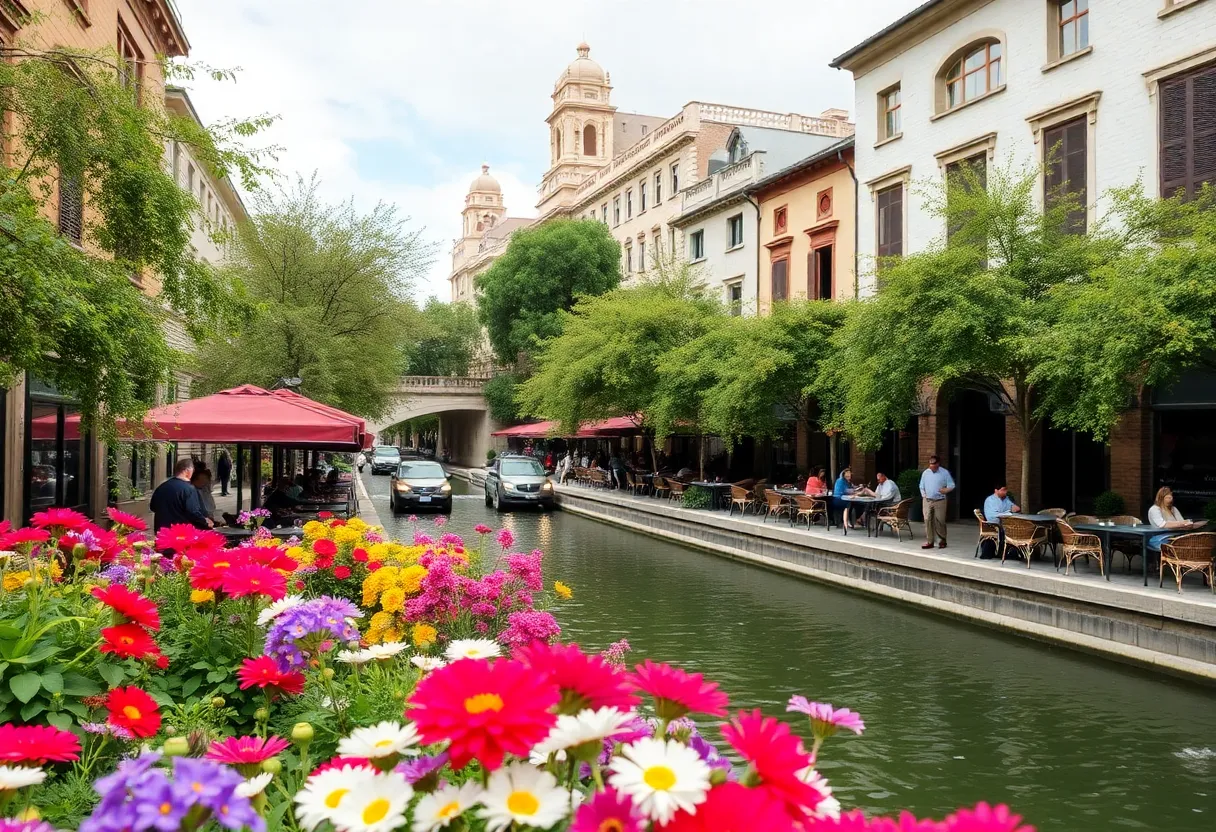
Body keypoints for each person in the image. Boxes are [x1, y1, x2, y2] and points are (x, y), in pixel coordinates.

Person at [150, 458, 213, 532]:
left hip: (162, 532)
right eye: (192, 469)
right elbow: (193, 512)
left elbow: (153, 507)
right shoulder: (189, 489)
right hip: (180, 534)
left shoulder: (161, 487)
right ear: (187, 470)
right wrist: (205, 521)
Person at [1147, 486, 1205, 554]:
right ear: (1161, 498)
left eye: (1171, 497)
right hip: (1160, 538)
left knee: (1197, 543)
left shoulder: (1173, 509)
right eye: (1168, 497)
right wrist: (1183, 523)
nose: (1171, 499)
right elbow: (1162, 524)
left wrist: (1191, 525)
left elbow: (1183, 523)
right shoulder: (1155, 509)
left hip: (1177, 536)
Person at [919, 455, 955, 549]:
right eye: (930, 464)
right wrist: (924, 494)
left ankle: (942, 540)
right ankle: (930, 541)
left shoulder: (944, 473)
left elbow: (951, 485)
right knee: (927, 520)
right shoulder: (925, 473)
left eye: (934, 464)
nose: (931, 466)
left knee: (940, 521)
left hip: (940, 500)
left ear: (938, 464)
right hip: (927, 500)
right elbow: (921, 485)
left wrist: (945, 490)